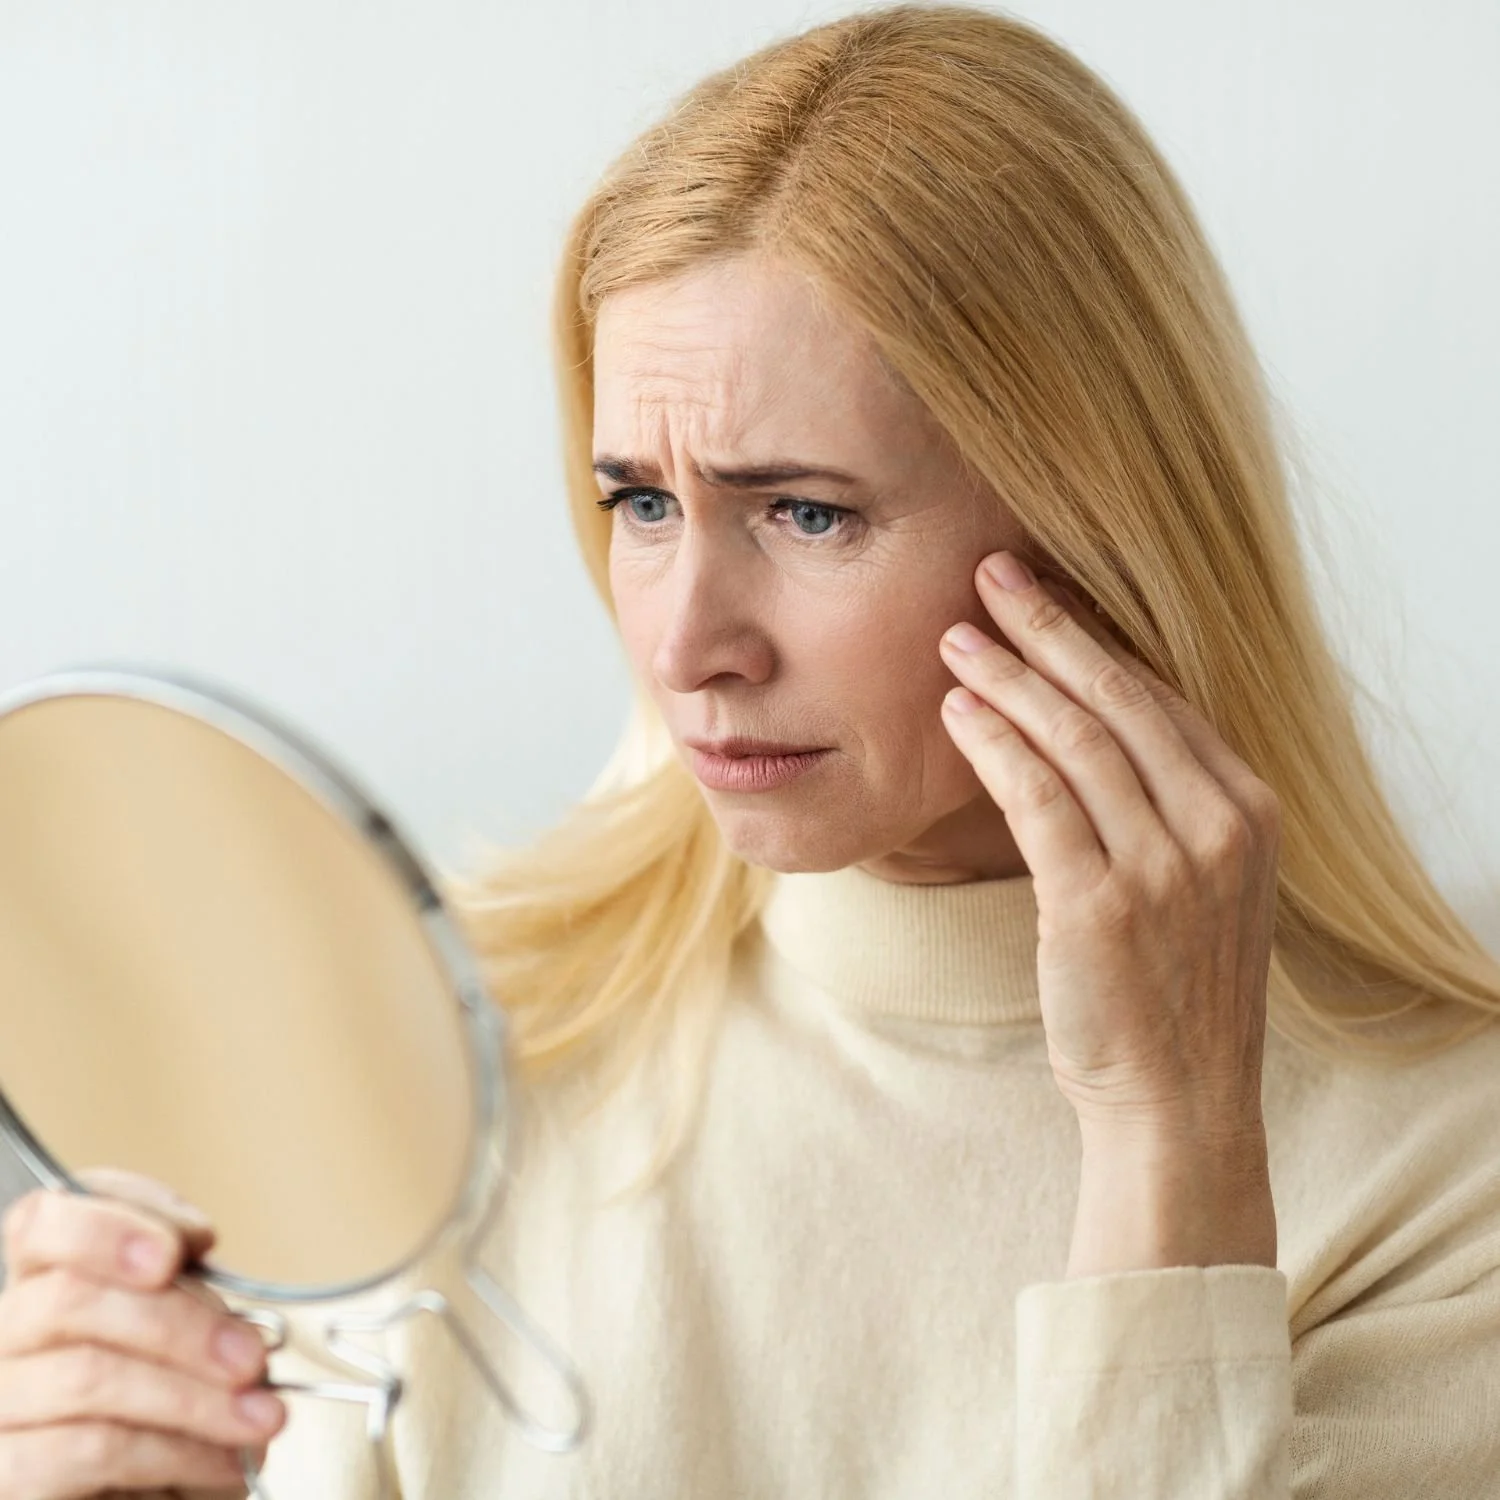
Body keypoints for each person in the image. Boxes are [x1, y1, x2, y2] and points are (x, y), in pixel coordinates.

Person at [2, 3, 1499, 1495]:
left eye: (806, 512)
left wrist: (1170, 1147)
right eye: (641, 503)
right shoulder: (457, 1084)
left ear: (1102, 529)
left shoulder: (1449, 1168)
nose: (681, 645)